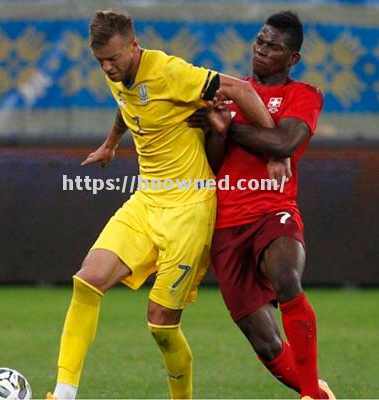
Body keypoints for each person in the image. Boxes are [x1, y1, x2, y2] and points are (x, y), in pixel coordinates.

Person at [48, 9, 277, 400]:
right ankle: (64, 394)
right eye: (100, 61)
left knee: (161, 326)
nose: (107, 68)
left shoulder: (171, 72)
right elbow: (129, 105)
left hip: (189, 211)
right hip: (146, 201)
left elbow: (242, 90)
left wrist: (275, 151)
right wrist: (110, 144)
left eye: (114, 59)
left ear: (134, 47)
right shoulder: (118, 74)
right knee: (87, 281)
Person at [188, 11, 335, 400]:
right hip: (225, 224)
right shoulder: (232, 93)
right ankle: (318, 394)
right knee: (267, 344)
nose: (262, 51)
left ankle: (310, 396)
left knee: (287, 277)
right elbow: (214, 163)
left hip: (273, 211)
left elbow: (285, 144)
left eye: (274, 47)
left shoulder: (303, 94)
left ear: (292, 59)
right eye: (259, 42)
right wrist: (219, 131)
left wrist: (230, 127)